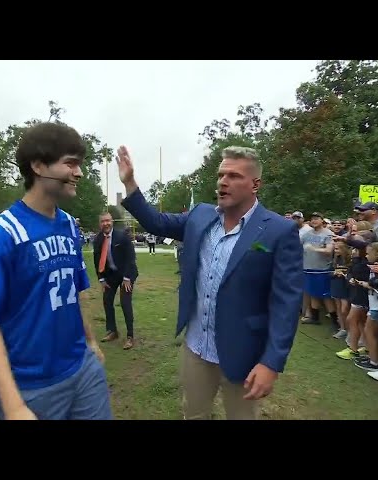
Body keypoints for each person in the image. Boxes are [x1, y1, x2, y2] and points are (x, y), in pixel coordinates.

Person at [116, 145, 303, 420]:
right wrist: (130, 182)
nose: (223, 181)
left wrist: (271, 363)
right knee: (193, 414)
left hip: (244, 353)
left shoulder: (278, 230)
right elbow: (156, 222)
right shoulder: (201, 216)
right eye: (221, 174)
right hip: (196, 348)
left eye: (234, 176)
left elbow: (286, 304)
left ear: (255, 184)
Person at [0, 122, 111, 420]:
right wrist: (14, 405)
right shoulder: (2, 233)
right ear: (39, 166)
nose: (78, 173)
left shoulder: (69, 225)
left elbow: (75, 291)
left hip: (83, 370)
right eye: (70, 163)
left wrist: (90, 341)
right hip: (32, 386)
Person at [93, 212, 138, 349]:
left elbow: (131, 258)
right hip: (111, 275)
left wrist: (127, 278)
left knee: (125, 302)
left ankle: (130, 336)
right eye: (103, 221)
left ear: (112, 221)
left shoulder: (122, 236)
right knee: (107, 300)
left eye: (108, 221)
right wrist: (101, 279)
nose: (105, 223)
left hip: (127, 274)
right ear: (100, 224)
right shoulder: (98, 239)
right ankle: (112, 331)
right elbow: (97, 261)